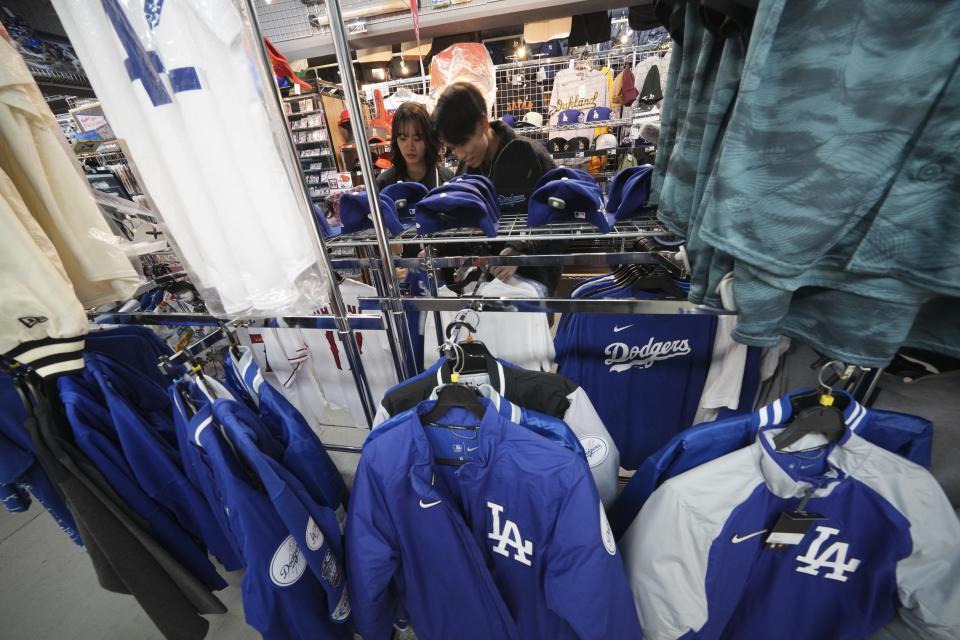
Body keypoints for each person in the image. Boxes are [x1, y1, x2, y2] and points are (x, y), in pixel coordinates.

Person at [432, 82, 560, 293]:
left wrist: (521, 251)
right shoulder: (465, 169)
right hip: (484, 283)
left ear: (483, 123)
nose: (460, 154)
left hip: (531, 284)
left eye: (463, 143)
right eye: (453, 148)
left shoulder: (531, 156)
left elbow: (559, 217)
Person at [376, 102, 454, 190]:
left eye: (417, 138)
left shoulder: (446, 179)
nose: (410, 146)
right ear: (396, 140)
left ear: (428, 139)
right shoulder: (384, 183)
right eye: (403, 138)